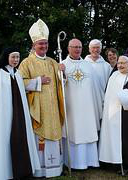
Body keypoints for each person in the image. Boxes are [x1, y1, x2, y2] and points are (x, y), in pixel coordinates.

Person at [0, 47, 40, 180]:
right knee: (4, 139)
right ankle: (4, 172)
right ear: (7, 57)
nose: (15, 60)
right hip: (3, 115)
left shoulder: (17, 73)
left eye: (18, 57)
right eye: (13, 57)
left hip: (19, 113)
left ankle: (23, 170)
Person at [19, 19, 65, 178]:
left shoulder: (53, 62)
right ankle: (40, 169)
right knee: (40, 137)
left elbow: (62, 84)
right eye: (40, 44)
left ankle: (55, 168)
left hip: (53, 108)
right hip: (37, 108)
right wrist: (38, 81)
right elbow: (20, 83)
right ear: (33, 45)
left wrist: (62, 74)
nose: (44, 46)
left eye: (45, 43)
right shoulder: (26, 63)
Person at [61, 38, 100, 169]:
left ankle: (89, 161)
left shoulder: (88, 65)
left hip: (87, 106)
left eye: (79, 47)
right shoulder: (62, 64)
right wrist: (60, 74)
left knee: (87, 130)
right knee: (73, 131)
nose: (77, 49)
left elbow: (94, 87)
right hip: (72, 106)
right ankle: (72, 162)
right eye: (74, 47)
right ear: (68, 48)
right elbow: (58, 86)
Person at [84, 39, 111, 130]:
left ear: (101, 49)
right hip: (87, 100)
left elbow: (110, 85)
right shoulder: (83, 64)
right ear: (89, 49)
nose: (95, 50)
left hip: (102, 100)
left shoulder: (106, 66)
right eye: (93, 48)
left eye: (97, 48)